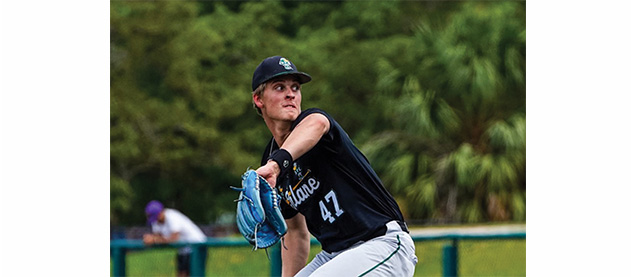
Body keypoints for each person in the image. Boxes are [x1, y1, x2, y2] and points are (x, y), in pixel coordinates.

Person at [250, 56, 418, 276]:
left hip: (380, 243)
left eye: (295, 87)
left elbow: (317, 124)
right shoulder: (272, 158)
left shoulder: (312, 124)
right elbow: (295, 233)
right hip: (336, 254)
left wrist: (276, 165)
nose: (290, 93)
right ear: (258, 99)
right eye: (279, 87)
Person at [143, 200, 207, 277]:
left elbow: (174, 239)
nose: (155, 220)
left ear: (160, 213)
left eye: (156, 217)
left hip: (197, 246)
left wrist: (154, 239)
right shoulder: (156, 222)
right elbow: (158, 236)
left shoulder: (172, 216)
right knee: (181, 274)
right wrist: (150, 238)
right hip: (183, 249)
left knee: (195, 274)